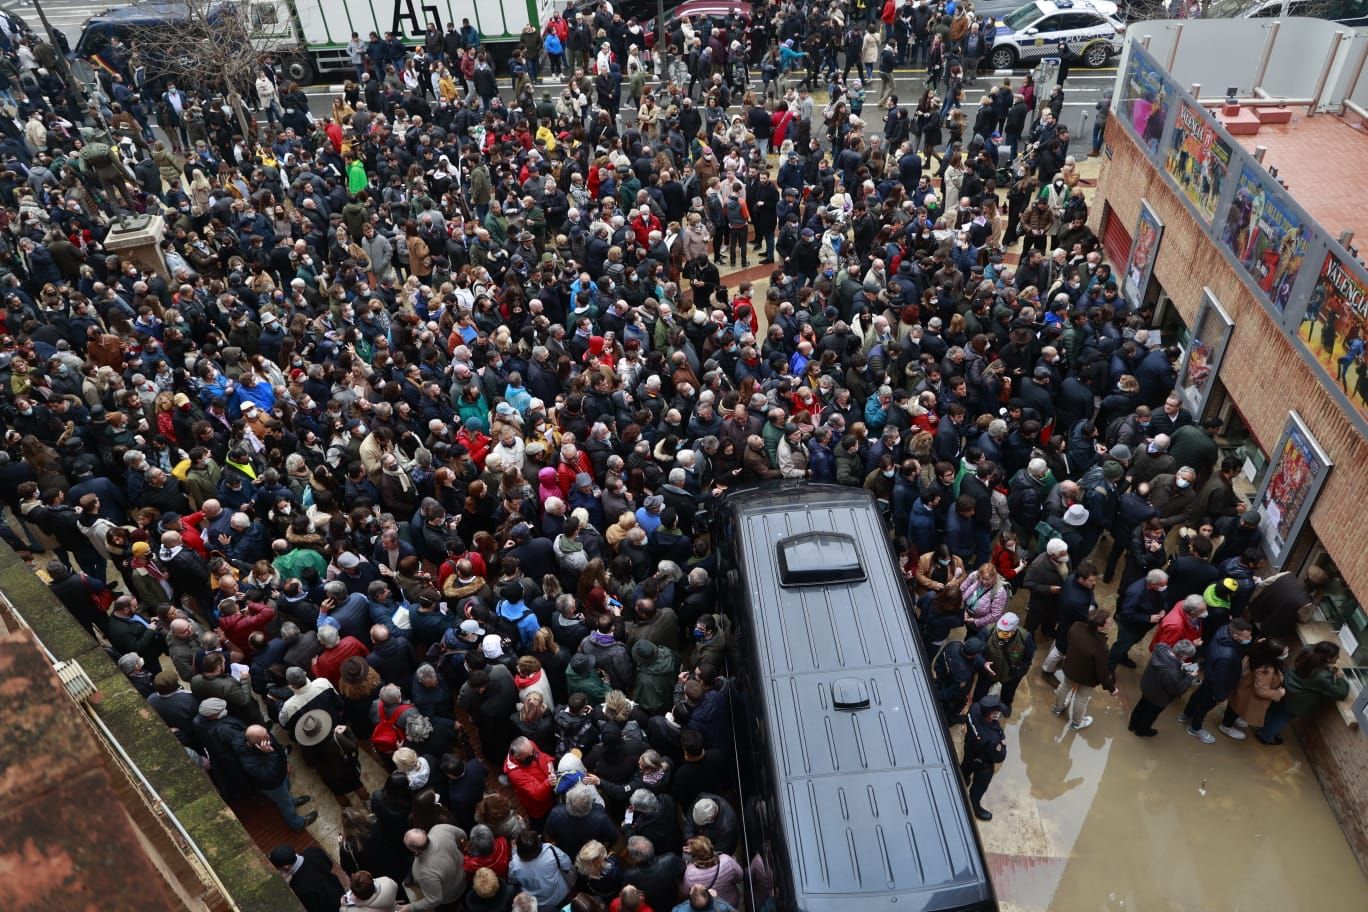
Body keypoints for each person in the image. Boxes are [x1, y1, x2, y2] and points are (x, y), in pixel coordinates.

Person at [1257, 641, 1349, 746]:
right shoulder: (1323, 675)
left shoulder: (1308, 650)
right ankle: (1265, 735)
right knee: (1283, 717)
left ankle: (1262, 724)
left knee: (1276, 708)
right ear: (1328, 659)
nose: (1338, 658)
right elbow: (1341, 693)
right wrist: (1341, 679)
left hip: (1287, 685)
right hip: (1297, 699)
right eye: (1336, 657)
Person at [1050, 607, 1117, 732]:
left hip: (1070, 667)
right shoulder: (1100, 646)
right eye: (1108, 621)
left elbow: (1069, 640)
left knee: (1064, 686)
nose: (1111, 622)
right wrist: (1111, 688)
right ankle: (1076, 723)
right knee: (1081, 699)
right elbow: (1102, 672)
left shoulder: (1076, 626)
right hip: (1087, 677)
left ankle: (1057, 708)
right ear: (1100, 627)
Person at [1128, 639, 1199, 737]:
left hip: (1148, 686)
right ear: (1183, 655)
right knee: (1151, 714)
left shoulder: (1161, 648)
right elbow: (1178, 688)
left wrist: (1180, 665)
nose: (1187, 658)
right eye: (1187, 656)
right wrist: (1190, 676)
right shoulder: (1171, 672)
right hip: (1158, 696)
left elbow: (1170, 664)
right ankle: (1142, 731)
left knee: (1141, 705)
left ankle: (1132, 725)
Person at [960, 693, 1007, 821]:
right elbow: (1000, 757)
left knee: (965, 767)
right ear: (991, 714)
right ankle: (974, 806)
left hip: (970, 748)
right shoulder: (992, 738)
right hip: (983, 764)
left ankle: (962, 780)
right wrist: (1003, 744)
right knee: (978, 788)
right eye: (997, 711)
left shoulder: (975, 708)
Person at [268, 845, 344, 912]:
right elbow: (329, 864)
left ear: (286, 867)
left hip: (330, 907)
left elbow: (313, 909)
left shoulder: (298, 887)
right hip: (338, 889)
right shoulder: (313, 851)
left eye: (278, 868)